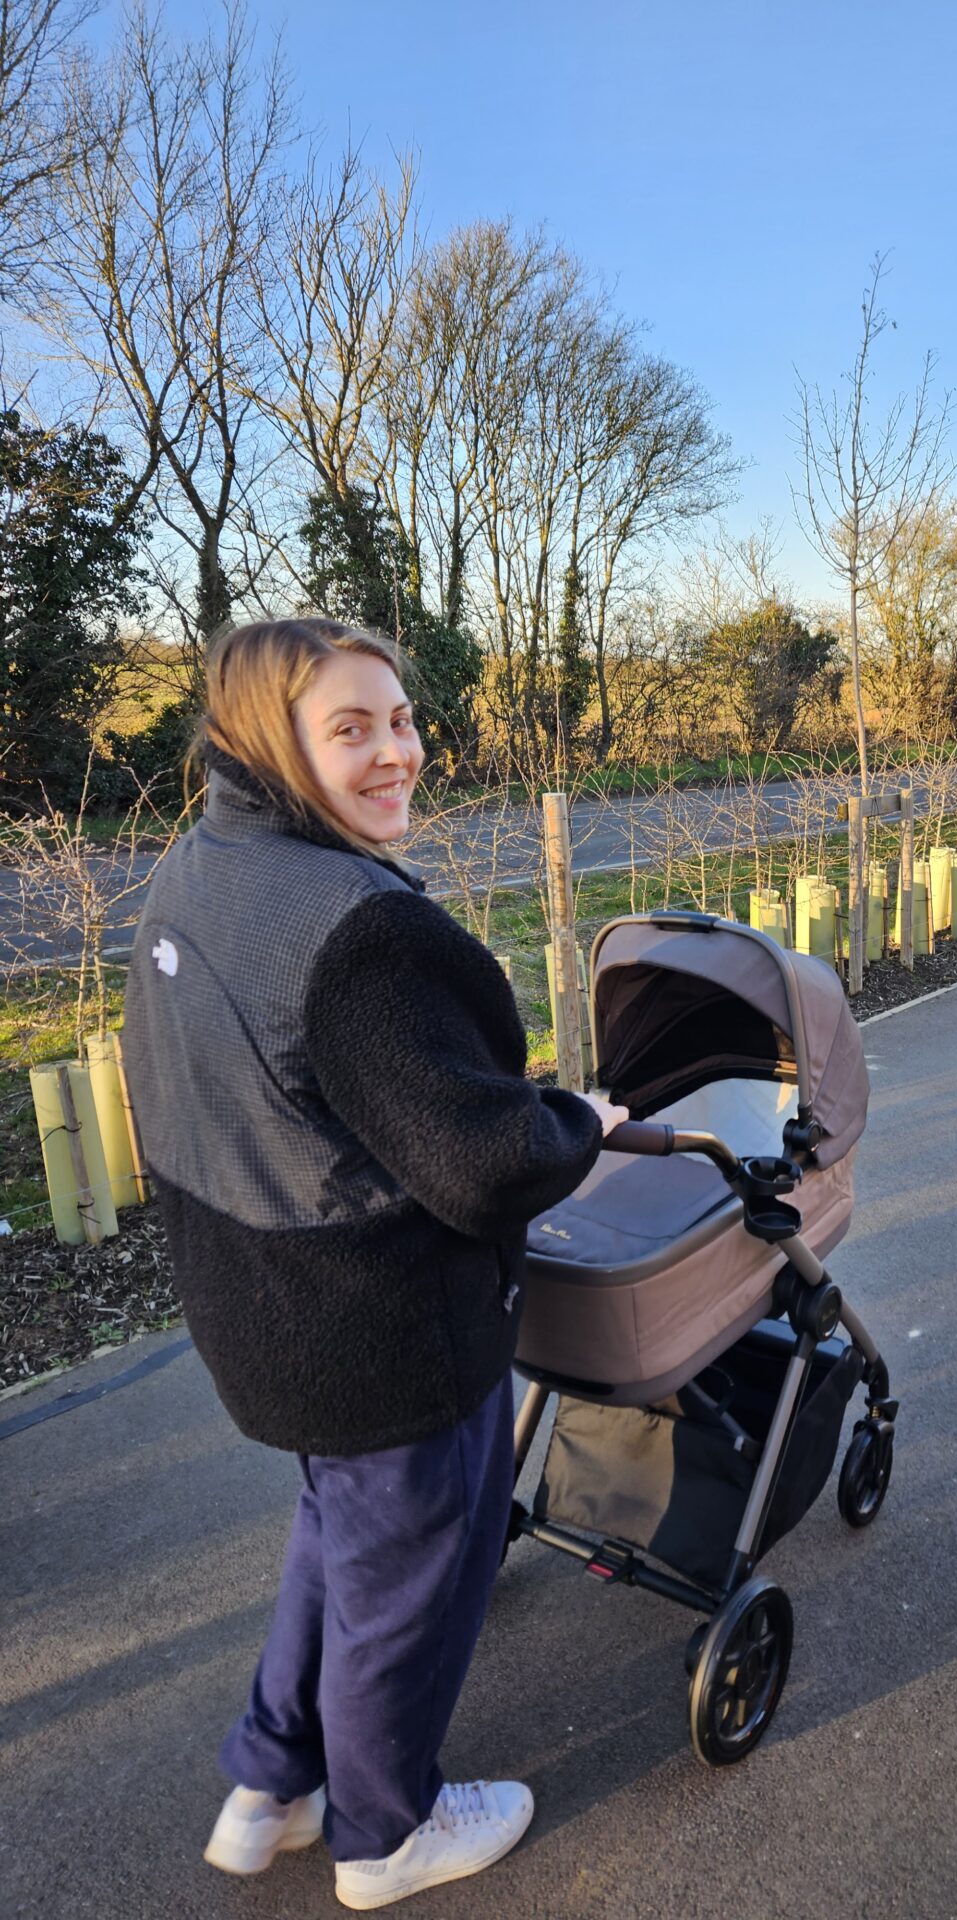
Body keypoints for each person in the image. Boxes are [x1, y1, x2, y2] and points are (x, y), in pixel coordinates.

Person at [123, 618, 626, 1910]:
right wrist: (580, 1124)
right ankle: (382, 1834)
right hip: (378, 1325)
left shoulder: (196, 870)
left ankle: (267, 1786)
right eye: (351, 727)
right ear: (266, 740)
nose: (398, 751)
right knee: (410, 1582)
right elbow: (485, 1164)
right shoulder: (355, 926)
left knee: (339, 1542)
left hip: (253, 1297)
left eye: (399, 719)